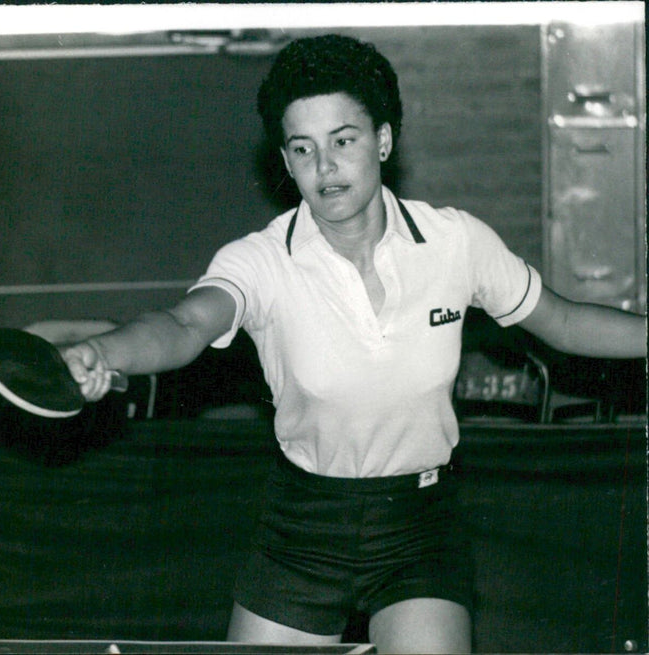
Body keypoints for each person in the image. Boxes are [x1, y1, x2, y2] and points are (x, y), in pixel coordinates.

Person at [62, 34, 646, 654]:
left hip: (419, 525)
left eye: (344, 141)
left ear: (383, 142)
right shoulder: (260, 261)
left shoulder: (456, 243)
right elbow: (183, 326)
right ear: (286, 164)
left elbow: (562, 321)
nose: (325, 167)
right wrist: (108, 352)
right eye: (303, 149)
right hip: (303, 525)